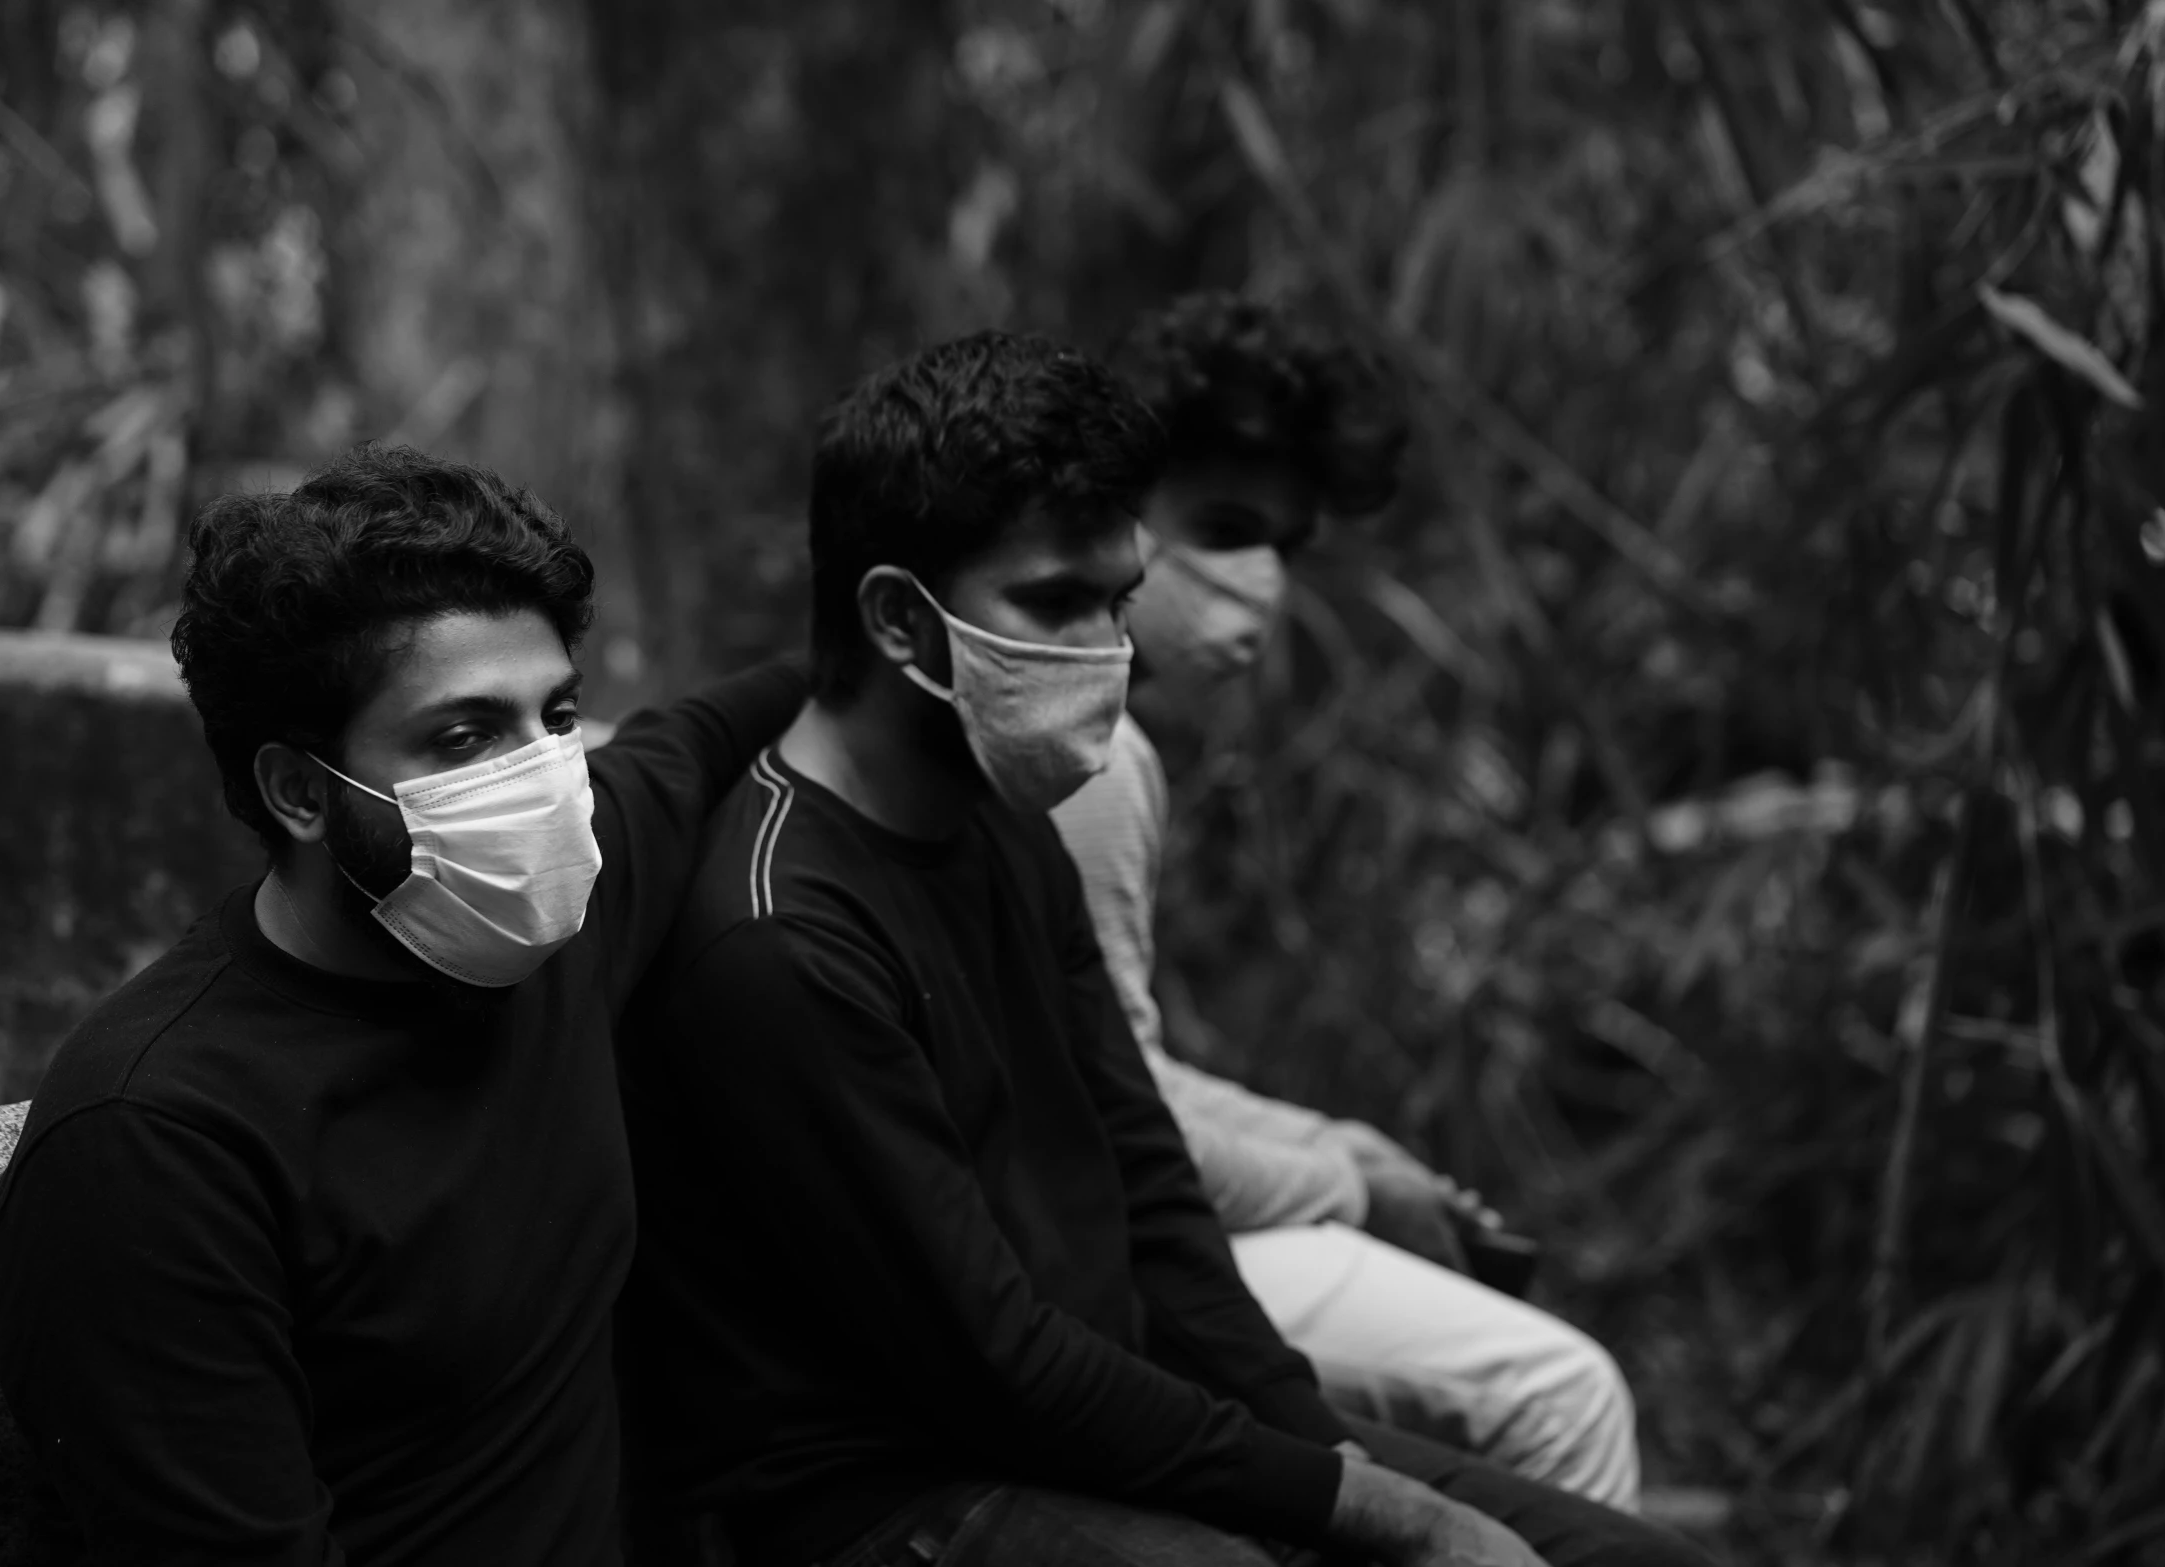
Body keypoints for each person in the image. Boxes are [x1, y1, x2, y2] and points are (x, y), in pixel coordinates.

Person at [619, 331, 1704, 1567]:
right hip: (888, 1493)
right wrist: (1373, 1514)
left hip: (1083, 1418)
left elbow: (1150, 1190)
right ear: (899, 624)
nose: (1104, 649)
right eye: (1052, 603)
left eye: (1117, 600)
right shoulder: (780, 939)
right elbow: (997, 1359)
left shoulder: (1002, 830)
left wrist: (1319, 1452)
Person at [0, 444, 803, 1564]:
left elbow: (700, 738)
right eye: (464, 737)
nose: (546, 782)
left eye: (558, 714)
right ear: (302, 791)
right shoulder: (156, 1142)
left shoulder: (550, 921)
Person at [1050, 292, 1641, 1510]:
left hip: (1070, 1224)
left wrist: (1336, 1147)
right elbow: (1112, 1127)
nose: (1257, 578)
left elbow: (1114, 1055)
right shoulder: (1086, 749)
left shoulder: (1100, 738)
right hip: (1068, 1257)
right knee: (1562, 1391)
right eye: (1220, 526)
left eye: (1283, 541)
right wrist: (1362, 1193)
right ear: (1116, 514)